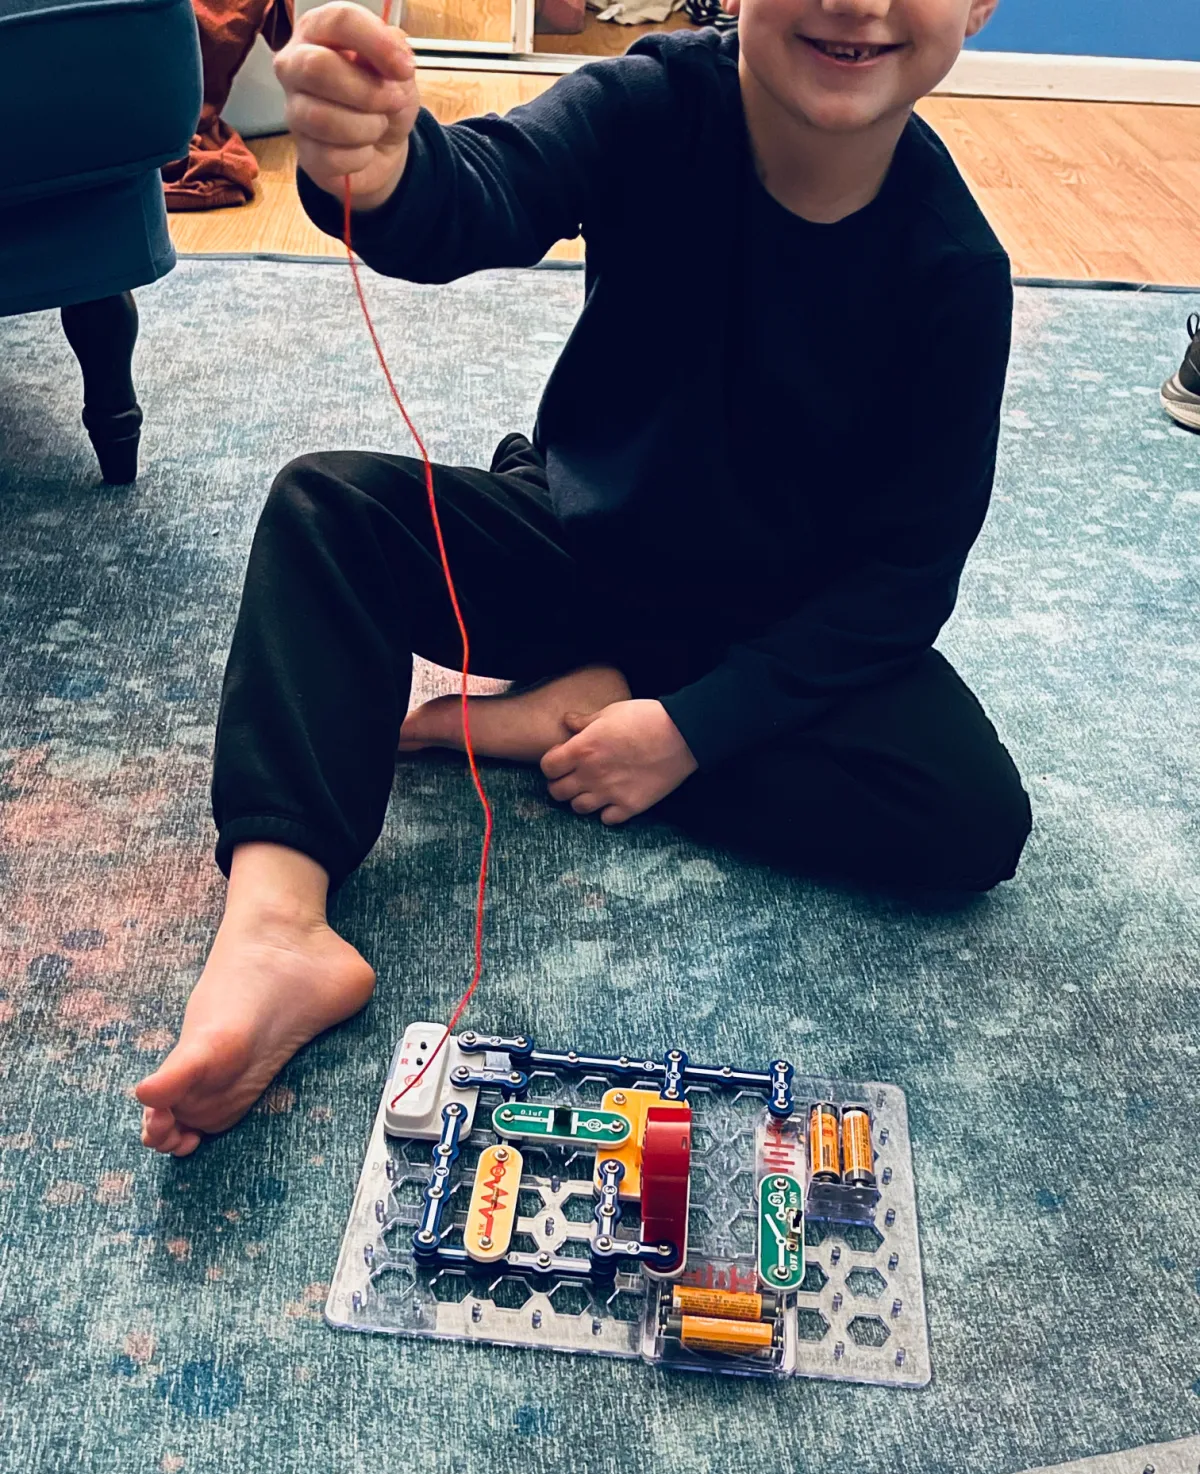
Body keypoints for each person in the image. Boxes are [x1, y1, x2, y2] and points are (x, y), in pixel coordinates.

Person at [137, 0, 1031, 1158]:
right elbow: (485, 188)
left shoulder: (955, 268)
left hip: (772, 630)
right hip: (589, 544)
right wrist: (385, 164)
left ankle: (575, 710)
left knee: (969, 816)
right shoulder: (654, 101)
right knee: (329, 509)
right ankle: (276, 923)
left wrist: (689, 732)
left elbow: (906, 581)